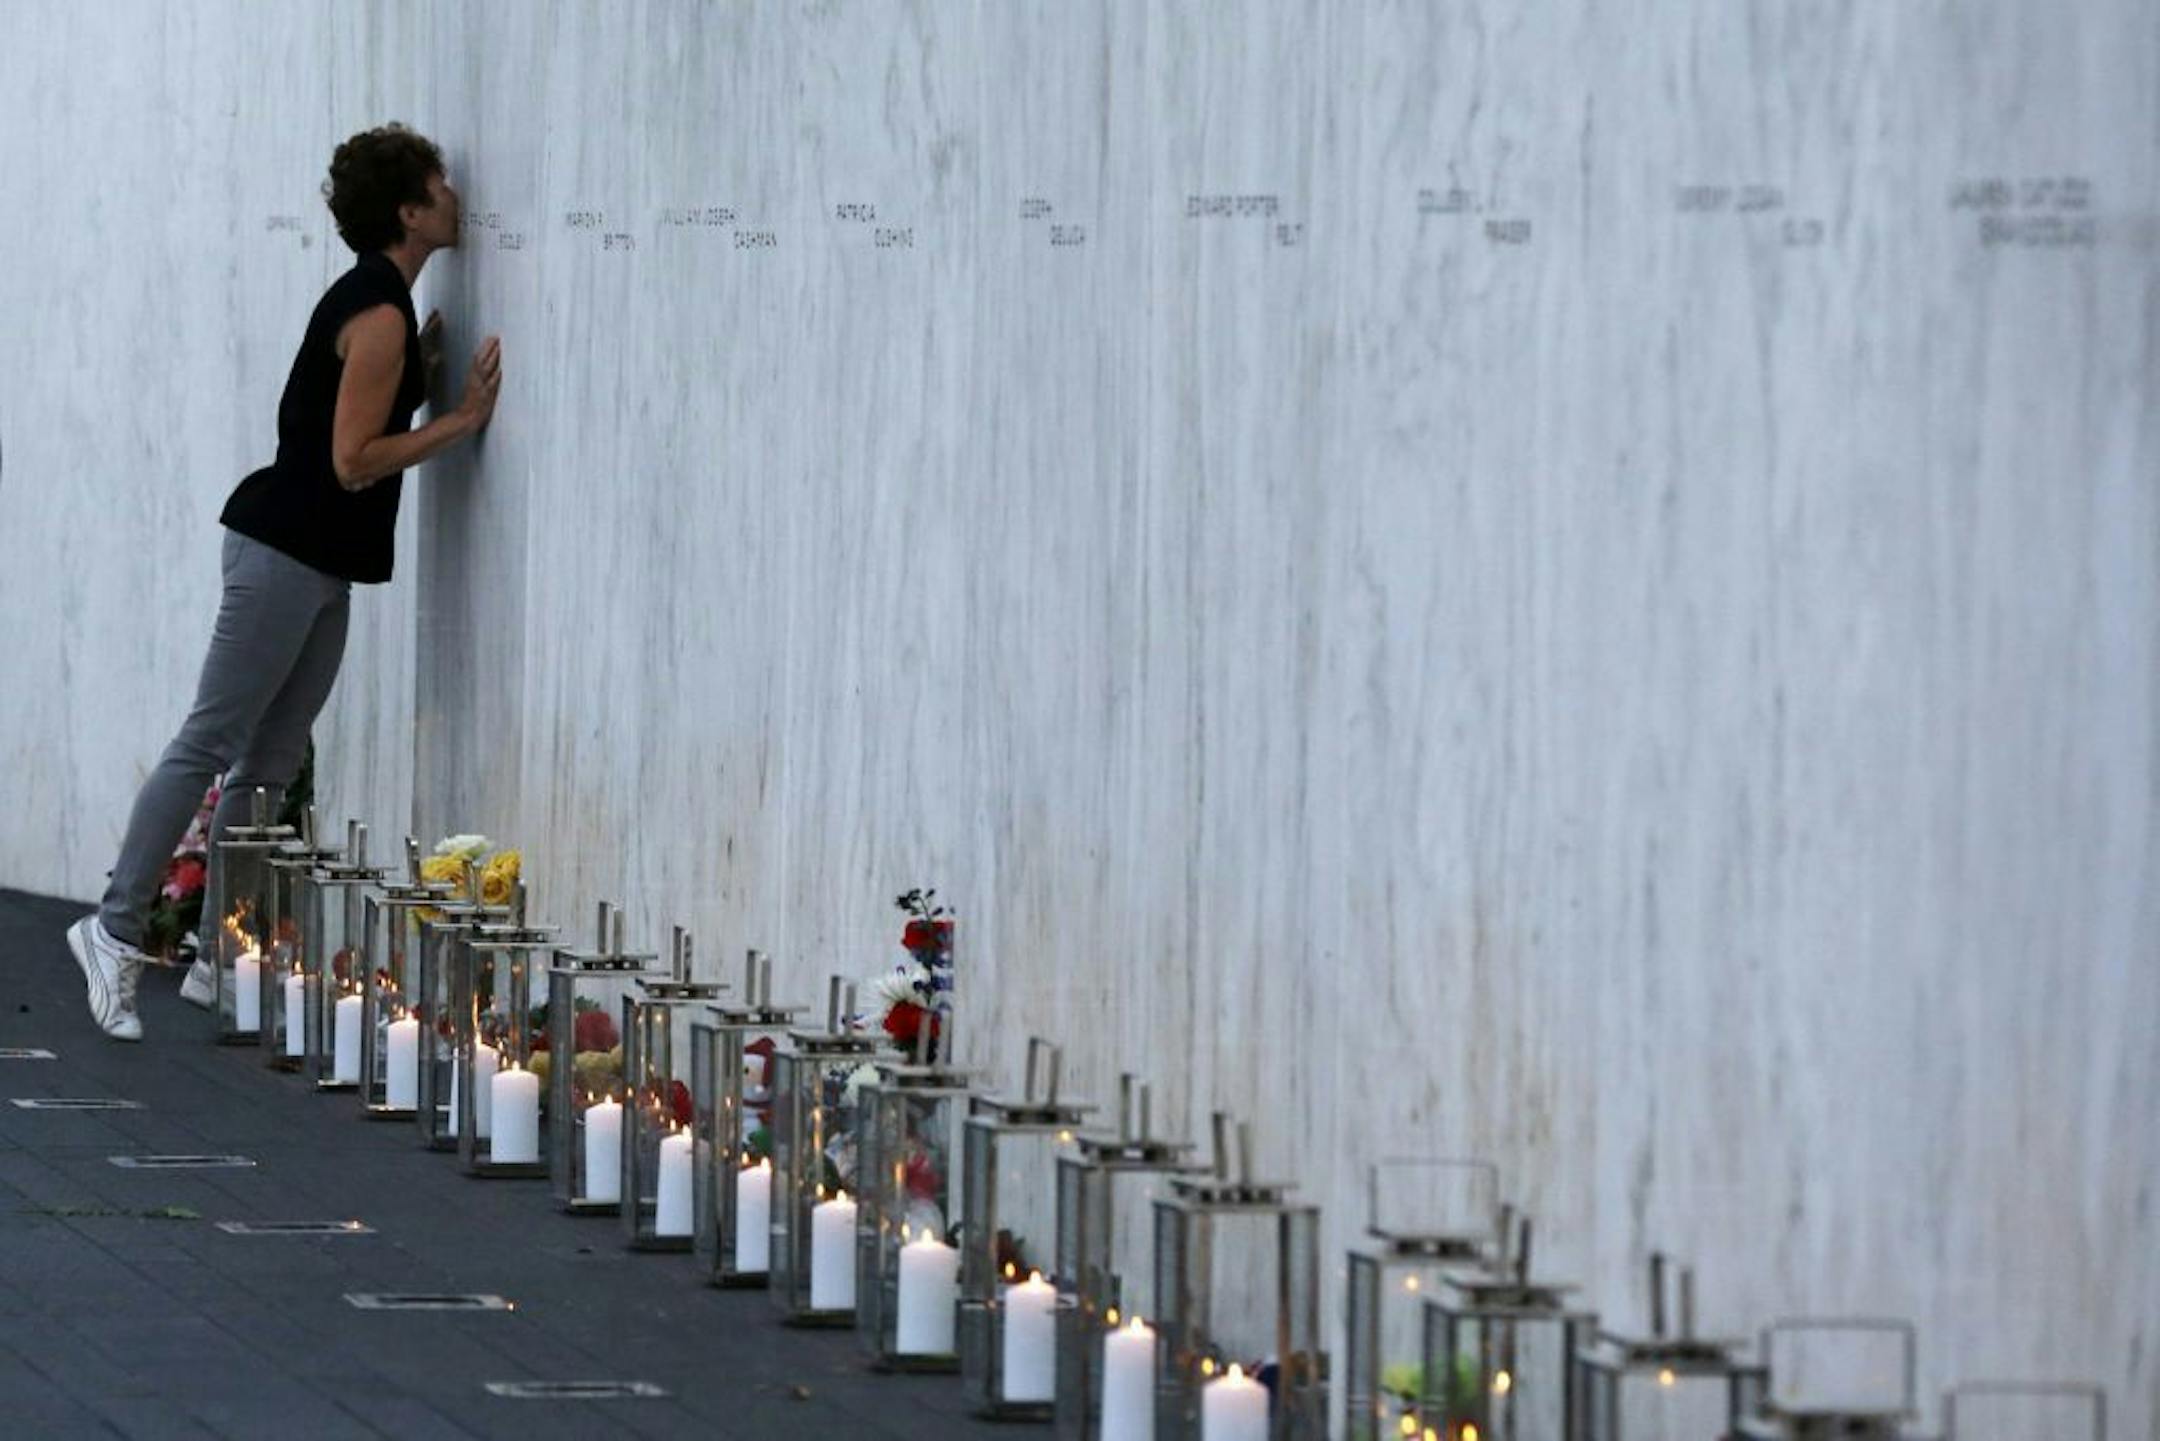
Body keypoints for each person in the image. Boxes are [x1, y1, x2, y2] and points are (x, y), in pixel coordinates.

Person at [66, 124, 502, 1041]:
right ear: (410, 212)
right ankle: (111, 930)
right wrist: (459, 418)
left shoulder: (383, 307)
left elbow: (343, 424)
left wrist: (417, 384)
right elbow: (350, 462)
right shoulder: (377, 309)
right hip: (283, 556)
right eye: (441, 185)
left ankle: (221, 957)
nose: (458, 197)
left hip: (318, 564)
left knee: (267, 764)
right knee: (212, 742)